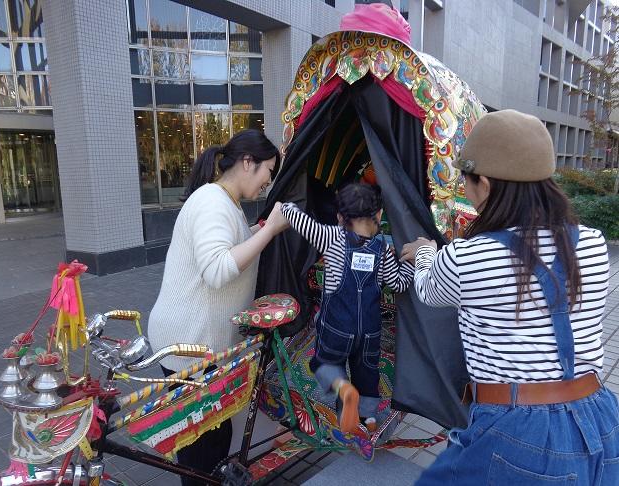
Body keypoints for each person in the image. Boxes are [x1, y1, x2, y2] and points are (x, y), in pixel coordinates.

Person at [401, 109, 619, 485]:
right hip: (598, 415)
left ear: (484, 184)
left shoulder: (469, 256)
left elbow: (427, 288)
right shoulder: (593, 243)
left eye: (466, 181)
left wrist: (424, 251)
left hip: (519, 430)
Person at [147, 129, 289, 485]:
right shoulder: (212, 200)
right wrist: (268, 231)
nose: (267, 184)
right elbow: (217, 269)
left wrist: (257, 228)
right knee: (201, 446)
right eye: (268, 172)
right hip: (189, 346)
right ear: (247, 163)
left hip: (200, 345)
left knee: (212, 436)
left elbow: (229, 248)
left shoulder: (226, 202)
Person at [281, 183, 414, 433]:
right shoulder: (383, 250)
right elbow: (398, 283)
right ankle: (368, 418)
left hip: (336, 328)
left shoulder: (331, 237)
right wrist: (412, 263)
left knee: (324, 364)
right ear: (379, 216)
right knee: (367, 374)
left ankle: (343, 390)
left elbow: (299, 220)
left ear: (341, 217)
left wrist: (285, 207)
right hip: (370, 332)